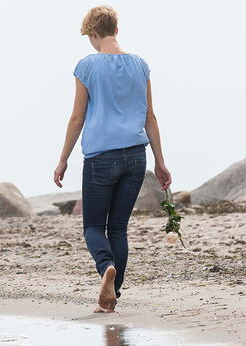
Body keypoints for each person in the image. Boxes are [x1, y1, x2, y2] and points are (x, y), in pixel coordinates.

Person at [53, 5, 171, 313]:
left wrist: (63, 159)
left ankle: (106, 266)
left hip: (100, 157)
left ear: (93, 33)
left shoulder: (87, 66)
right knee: (118, 228)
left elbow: (77, 117)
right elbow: (151, 117)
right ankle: (112, 297)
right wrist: (160, 162)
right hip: (136, 156)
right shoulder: (140, 65)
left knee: (93, 227)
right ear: (116, 29)